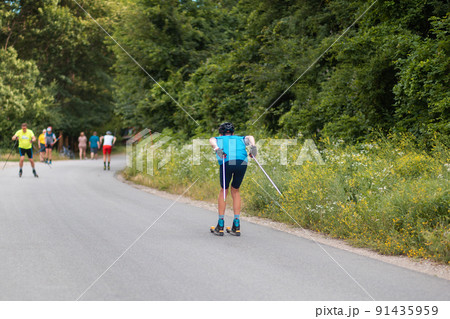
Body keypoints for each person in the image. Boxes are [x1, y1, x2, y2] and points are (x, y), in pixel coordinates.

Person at [209, 122, 257, 236]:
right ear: (233, 133)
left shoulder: (218, 139)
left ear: (221, 133)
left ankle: (220, 225)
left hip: (227, 162)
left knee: (224, 190)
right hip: (242, 162)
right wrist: (253, 147)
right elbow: (250, 137)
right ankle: (236, 225)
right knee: (235, 190)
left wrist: (216, 148)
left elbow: (211, 140)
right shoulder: (240, 138)